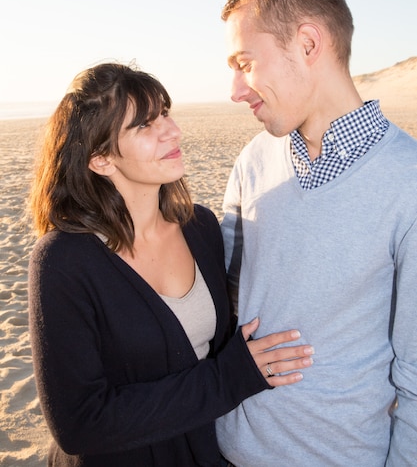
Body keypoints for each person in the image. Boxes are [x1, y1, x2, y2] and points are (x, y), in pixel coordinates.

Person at [28, 62, 314, 467]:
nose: (173, 130)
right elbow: (79, 424)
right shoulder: (64, 261)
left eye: (165, 113)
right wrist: (228, 379)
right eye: (145, 126)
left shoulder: (200, 227)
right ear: (101, 159)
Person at [215, 0, 417, 466]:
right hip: (228, 450)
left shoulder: (408, 181)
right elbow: (225, 304)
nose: (235, 91)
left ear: (308, 44)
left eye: (244, 63)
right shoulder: (252, 159)